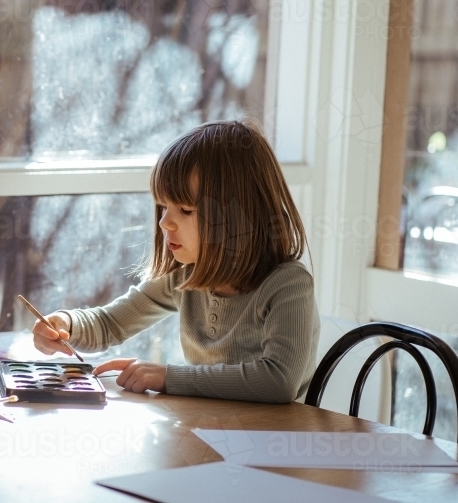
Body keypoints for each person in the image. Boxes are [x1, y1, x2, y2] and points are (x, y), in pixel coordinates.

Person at [31, 120, 320, 403]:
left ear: (238, 217)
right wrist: (67, 324)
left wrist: (168, 377)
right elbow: (109, 324)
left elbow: (278, 381)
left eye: (185, 210)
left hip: (272, 441)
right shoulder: (186, 278)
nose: (165, 223)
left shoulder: (287, 284)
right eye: (163, 207)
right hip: (208, 429)